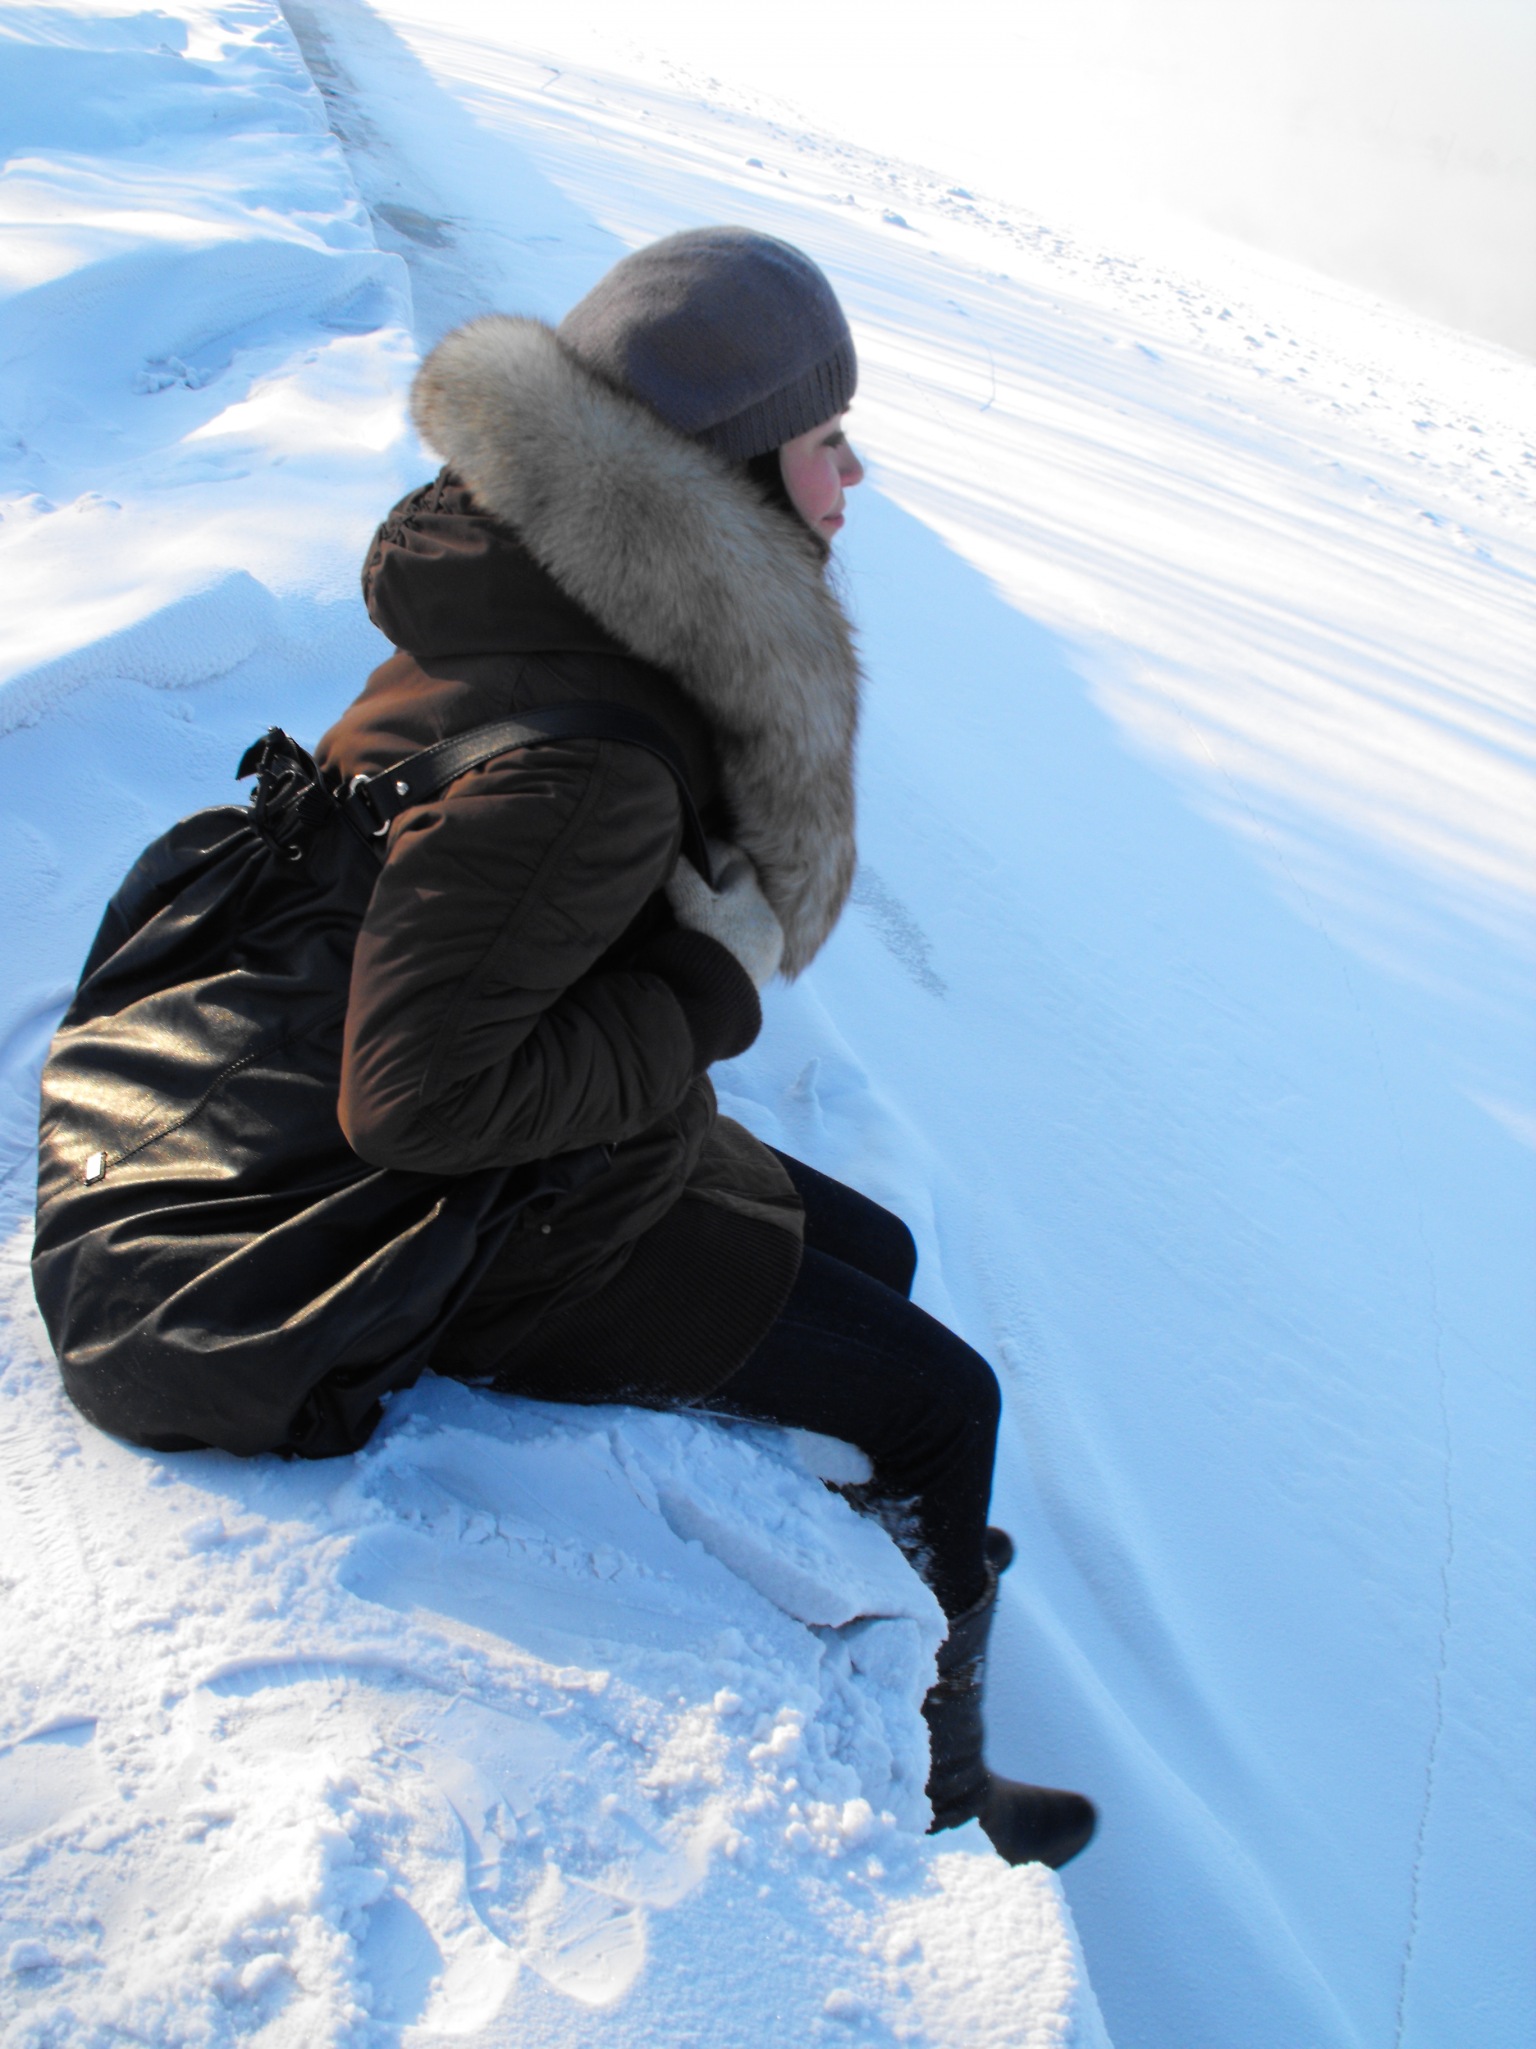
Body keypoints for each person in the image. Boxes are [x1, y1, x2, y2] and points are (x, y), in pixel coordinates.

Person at [34, 227, 1094, 1869]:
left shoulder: (541, 575)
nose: (853, 474)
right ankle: (947, 1790)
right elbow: (420, 1099)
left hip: (490, 1118)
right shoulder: (591, 760)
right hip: (452, 1224)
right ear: (726, 468)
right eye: (825, 439)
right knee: (950, 1404)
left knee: (878, 1250)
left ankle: (852, 1580)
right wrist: (711, 984)